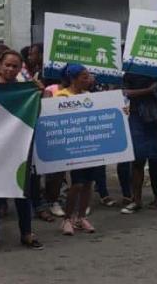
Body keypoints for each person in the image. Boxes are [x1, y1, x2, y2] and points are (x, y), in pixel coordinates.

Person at [0, 50, 44, 251]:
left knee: (22, 189)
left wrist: (38, 91)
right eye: (7, 65)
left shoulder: (24, 85)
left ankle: (26, 232)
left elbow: (36, 109)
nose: (10, 69)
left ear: (20, 68)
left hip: (17, 143)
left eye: (15, 66)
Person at [121, 72, 157, 219]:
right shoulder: (131, 71)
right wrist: (148, 90)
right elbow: (125, 93)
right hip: (137, 116)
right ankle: (136, 200)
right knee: (137, 160)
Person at [55, 64, 98, 235]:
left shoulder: (89, 96)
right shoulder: (61, 96)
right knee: (77, 184)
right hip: (71, 147)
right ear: (74, 79)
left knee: (88, 183)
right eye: (85, 76)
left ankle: (81, 217)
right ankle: (67, 218)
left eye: (89, 76)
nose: (89, 80)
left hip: (90, 146)